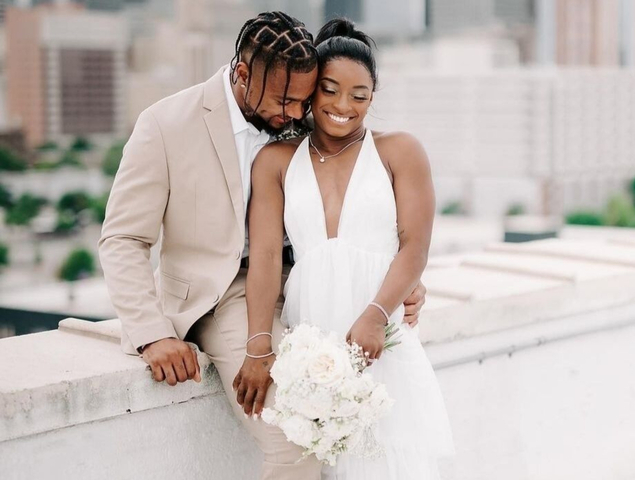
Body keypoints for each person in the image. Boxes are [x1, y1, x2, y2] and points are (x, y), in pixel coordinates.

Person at [98, 11, 428, 480]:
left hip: (309, 289)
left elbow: (361, 205)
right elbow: (123, 239)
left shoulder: (303, 124)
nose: (295, 114)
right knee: (297, 439)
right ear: (241, 74)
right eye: (285, 101)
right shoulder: (166, 124)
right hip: (225, 295)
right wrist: (153, 333)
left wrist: (399, 282)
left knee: (358, 433)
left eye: (302, 101)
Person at [236, 18, 454, 480]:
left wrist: (376, 315)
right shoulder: (275, 162)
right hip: (309, 334)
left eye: (360, 96)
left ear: (373, 97)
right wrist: (259, 346)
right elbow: (267, 259)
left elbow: (415, 247)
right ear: (312, 90)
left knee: (388, 460)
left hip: (380, 334)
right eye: (330, 90)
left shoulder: (400, 151)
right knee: (324, 462)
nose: (343, 106)